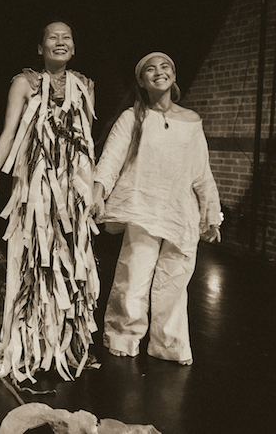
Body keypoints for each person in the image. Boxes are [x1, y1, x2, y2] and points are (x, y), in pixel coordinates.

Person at [0, 20, 99, 384]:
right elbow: (7, 136)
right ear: (40, 48)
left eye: (67, 37)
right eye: (52, 37)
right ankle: (27, 341)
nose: (60, 42)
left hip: (72, 195)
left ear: (74, 47)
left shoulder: (84, 86)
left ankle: (64, 346)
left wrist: (93, 190)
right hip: (35, 193)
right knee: (33, 263)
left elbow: (87, 143)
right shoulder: (24, 83)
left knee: (69, 267)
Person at [92, 52, 221, 366]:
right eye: (150, 69)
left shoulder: (191, 121)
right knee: (133, 276)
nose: (158, 72)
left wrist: (211, 214)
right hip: (143, 208)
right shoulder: (132, 117)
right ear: (141, 81)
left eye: (165, 67)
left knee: (173, 282)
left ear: (174, 76)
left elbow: (202, 172)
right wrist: (98, 191)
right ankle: (123, 337)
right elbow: (111, 159)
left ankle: (168, 344)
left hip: (182, 213)